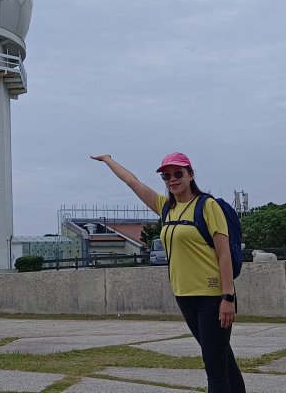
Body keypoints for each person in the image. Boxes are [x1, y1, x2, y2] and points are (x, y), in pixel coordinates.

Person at [92, 152, 245, 393]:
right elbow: (133, 182)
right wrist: (108, 160)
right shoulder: (166, 207)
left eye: (178, 173)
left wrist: (228, 298)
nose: (172, 179)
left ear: (190, 174)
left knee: (215, 368)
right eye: (166, 175)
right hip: (184, 295)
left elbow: (224, 254)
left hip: (213, 295)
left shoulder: (207, 205)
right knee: (222, 359)